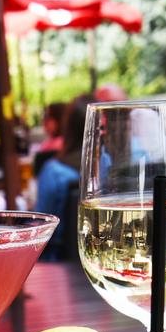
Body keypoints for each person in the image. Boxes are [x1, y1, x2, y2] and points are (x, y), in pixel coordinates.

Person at [34, 94, 94, 260]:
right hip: (96, 257)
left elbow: (41, 228)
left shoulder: (53, 172)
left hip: (57, 262)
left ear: (67, 127)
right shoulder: (106, 165)